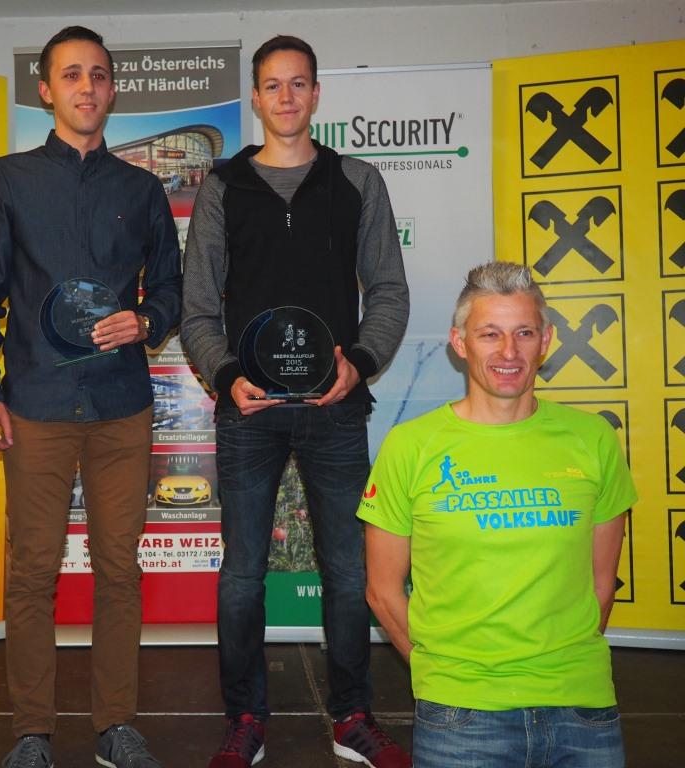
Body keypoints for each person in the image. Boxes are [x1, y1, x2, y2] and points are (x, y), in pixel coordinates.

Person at [181, 35, 411, 768]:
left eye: (299, 84)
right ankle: (245, 717)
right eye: (273, 86)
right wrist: (225, 376)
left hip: (335, 410)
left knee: (349, 573)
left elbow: (389, 291)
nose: (286, 97)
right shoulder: (223, 186)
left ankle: (352, 716)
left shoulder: (357, 181)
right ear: (255, 98)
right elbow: (196, 308)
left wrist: (360, 364)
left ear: (316, 94)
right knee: (241, 575)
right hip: (247, 411)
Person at [0, 26, 181, 768]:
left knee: (120, 571)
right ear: (46, 90)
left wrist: (146, 320)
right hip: (36, 405)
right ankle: (32, 731)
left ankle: (116, 725)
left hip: (121, 405)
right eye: (72, 74)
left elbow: (172, 289)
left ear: (112, 90)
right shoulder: (7, 180)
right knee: (32, 572)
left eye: (99, 75)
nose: (87, 87)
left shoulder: (143, 191)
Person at [359, 261, 636, 768]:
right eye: (490, 334)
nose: (509, 352)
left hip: (583, 709)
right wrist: (441, 675)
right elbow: (382, 590)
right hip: (461, 716)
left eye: (524, 333)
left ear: (545, 340)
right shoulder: (411, 446)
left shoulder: (593, 439)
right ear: (459, 343)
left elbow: (602, 583)